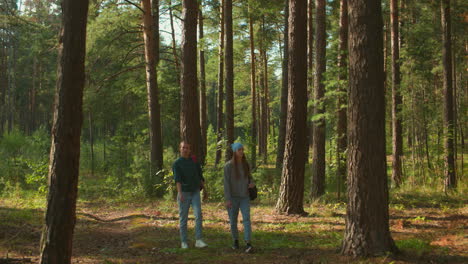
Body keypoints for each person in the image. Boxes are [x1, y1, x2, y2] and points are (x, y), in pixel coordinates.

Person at [173, 141, 208, 249]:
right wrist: (180, 194)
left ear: (190, 149)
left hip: (195, 192)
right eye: (183, 147)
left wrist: (205, 190)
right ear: (180, 148)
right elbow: (177, 180)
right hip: (184, 193)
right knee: (183, 218)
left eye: (187, 148)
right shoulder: (177, 163)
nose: (185, 149)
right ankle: (184, 241)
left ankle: (198, 240)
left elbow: (199, 176)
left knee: (198, 215)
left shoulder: (194, 161)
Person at [223, 142, 255, 253]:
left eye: (242, 149)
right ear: (235, 152)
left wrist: (252, 183)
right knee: (233, 221)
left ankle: (248, 243)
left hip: (244, 197)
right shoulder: (228, 166)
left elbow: (250, 177)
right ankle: (235, 241)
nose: (241, 151)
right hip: (232, 198)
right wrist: (227, 199)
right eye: (239, 150)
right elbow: (226, 183)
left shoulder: (246, 164)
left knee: (246, 219)